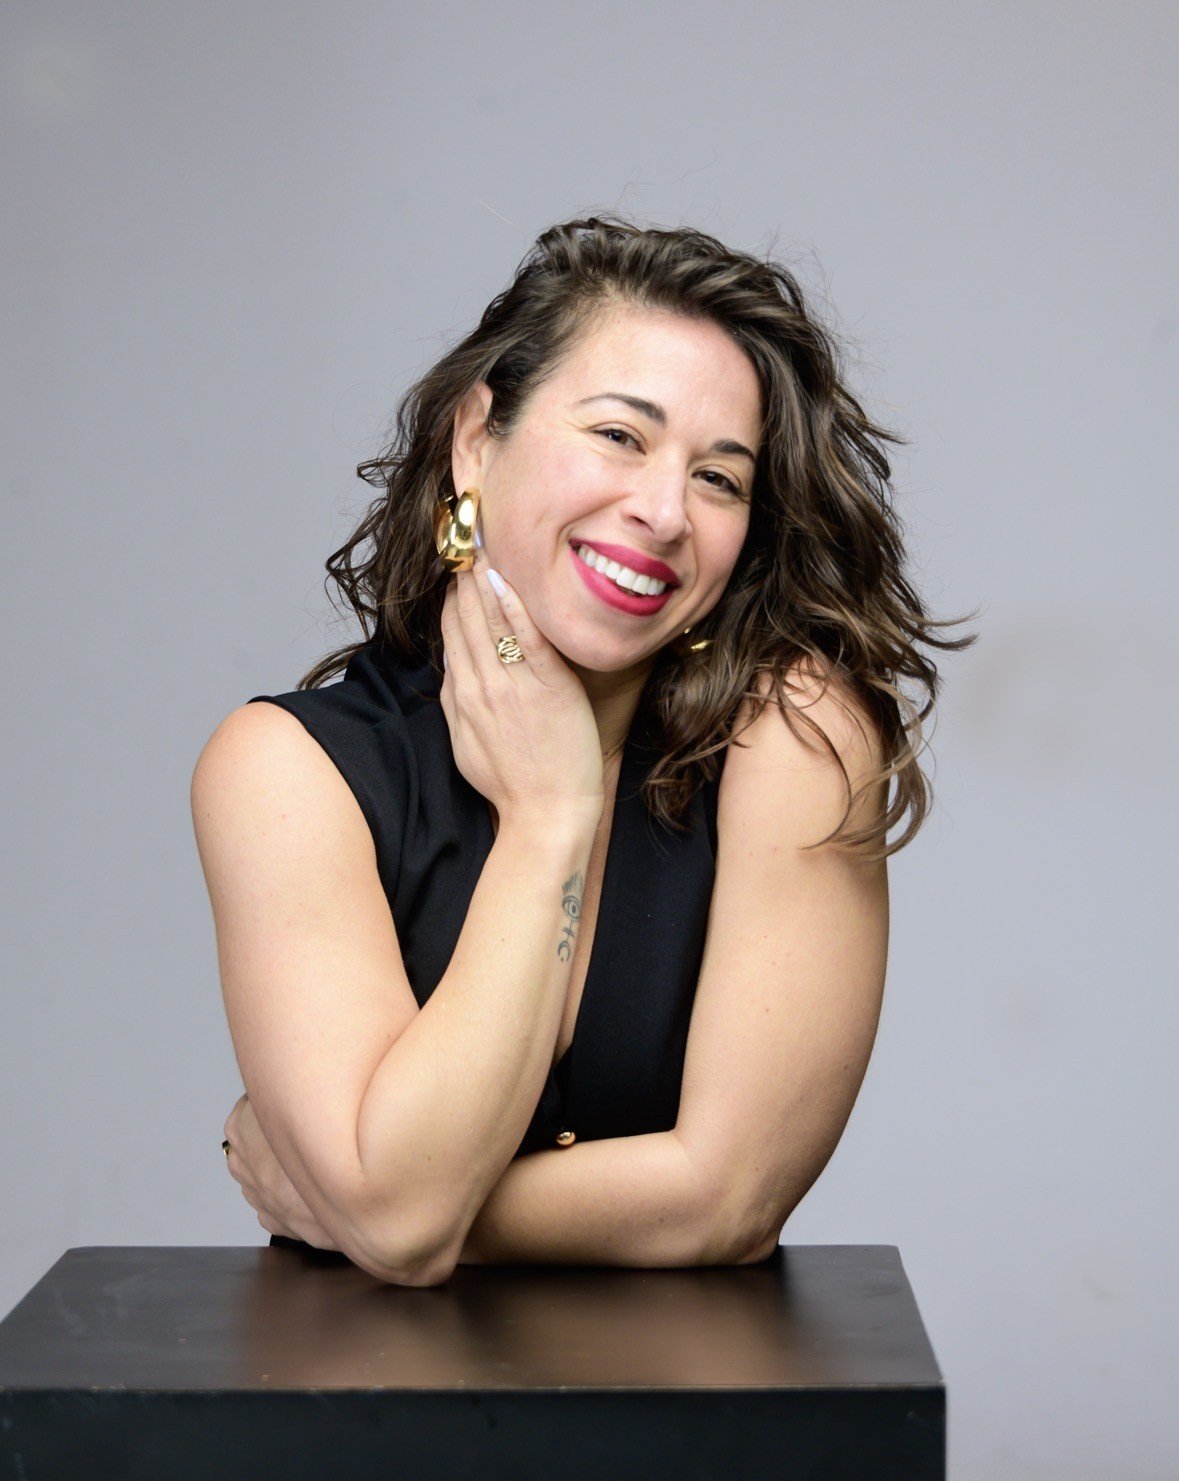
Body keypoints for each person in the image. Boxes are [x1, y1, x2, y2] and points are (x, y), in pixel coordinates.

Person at [192, 214, 975, 1287]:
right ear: (478, 440)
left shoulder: (797, 735)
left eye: (719, 479)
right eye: (618, 435)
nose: (663, 511)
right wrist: (548, 816)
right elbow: (398, 1216)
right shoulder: (285, 771)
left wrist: (359, 1210)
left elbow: (730, 1197)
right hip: (364, 1391)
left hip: (692, 1393)